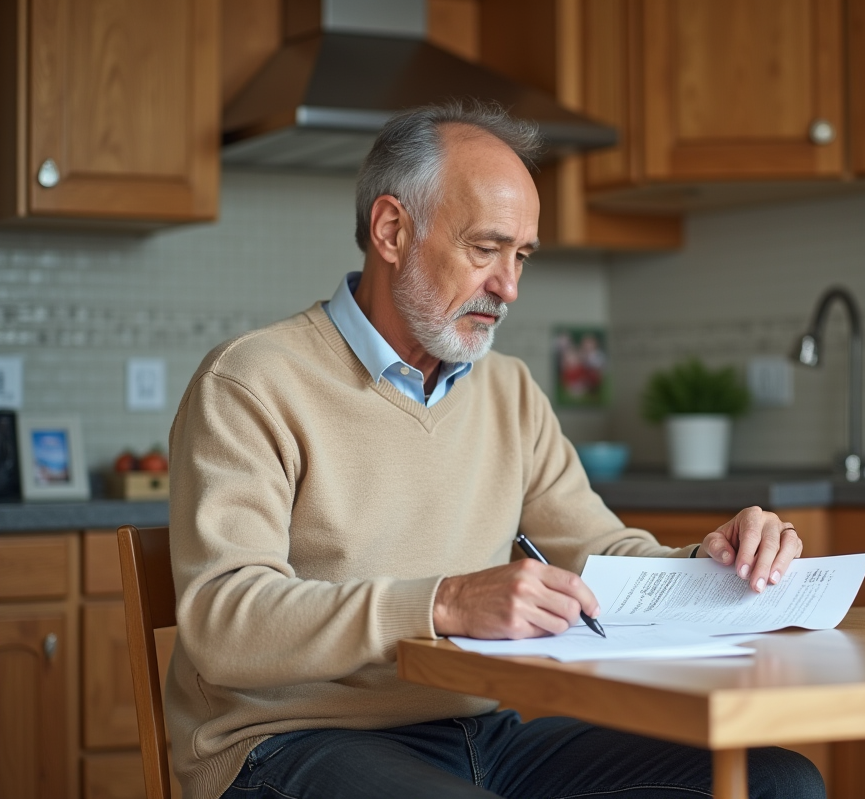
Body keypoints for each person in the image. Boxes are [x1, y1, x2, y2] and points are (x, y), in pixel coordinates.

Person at [167, 101, 824, 799]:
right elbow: (224, 620)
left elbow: (597, 555)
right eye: (485, 249)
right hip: (290, 740)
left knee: (777, 781)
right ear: (392, 230)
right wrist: (444, 603)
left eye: (521, 256)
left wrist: (711, 563)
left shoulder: (507, 390)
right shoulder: (253, 380)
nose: (508, 287)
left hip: (485, 735)